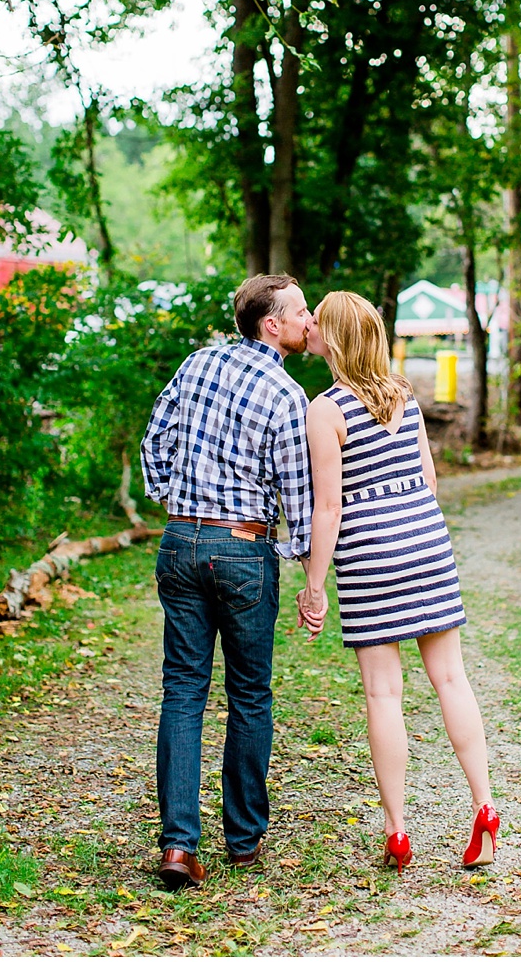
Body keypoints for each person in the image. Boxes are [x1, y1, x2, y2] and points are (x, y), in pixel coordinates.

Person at [297, 291, 499, 873]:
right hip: (426, 541)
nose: (308, 329)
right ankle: (484, 806)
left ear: (332, 339)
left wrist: (316, 585)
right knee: (452, 680)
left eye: (318, 325)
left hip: (369, 553)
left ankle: (398, 831)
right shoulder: (403, 396)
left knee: (384, 695)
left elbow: (329, 508)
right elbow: (429, 481)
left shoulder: (326, 410)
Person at [141, 274, 313, 890]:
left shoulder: (197, 364)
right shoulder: (287, 396)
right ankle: (242, 840)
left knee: (183, 691)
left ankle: (179, 846)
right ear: (273, 324)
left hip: (180, 542)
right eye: (300, 311)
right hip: (243, 549)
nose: (309, 319)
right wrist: (305, 565)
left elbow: (153, 437)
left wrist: (172, 497)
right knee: (249, 695)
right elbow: (299, 494)